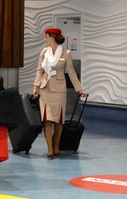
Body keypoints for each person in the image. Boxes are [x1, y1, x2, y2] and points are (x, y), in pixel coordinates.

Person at [32, 27, 87, 159]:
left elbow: (72, 73)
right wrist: (35, 87)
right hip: (45, 89)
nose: (45, 39)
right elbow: (40, 70)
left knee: (59, 120)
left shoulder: (65, 53)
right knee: (47, 120)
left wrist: (80, 89)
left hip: (59, 90)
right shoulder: (44, 52)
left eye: (46, 37)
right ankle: (50, 149)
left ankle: (57, 146)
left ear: (51, 37)